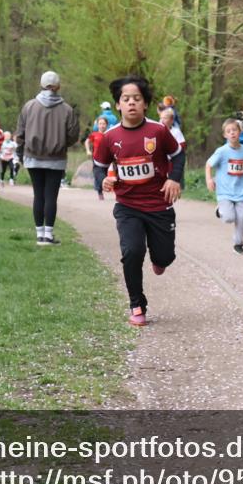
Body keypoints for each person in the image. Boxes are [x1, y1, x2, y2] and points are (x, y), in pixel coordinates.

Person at [93, 75, 184, 327]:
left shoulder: (158, 130)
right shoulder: (109, 137)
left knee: (164, 257)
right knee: (132, 252)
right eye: (126, 99)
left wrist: (174, 179)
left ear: (145, 104)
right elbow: (99, 166)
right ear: (118, 105)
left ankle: (160, 259)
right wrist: (104, 180)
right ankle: (137, 304)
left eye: (137, 99)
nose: (131, 103)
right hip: (128, 206)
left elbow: (178, 155)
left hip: (159, 204)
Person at [15, 71, 80, 245]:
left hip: (33, 157)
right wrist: (62, 143)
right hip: (56, 158)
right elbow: (73, 135)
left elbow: (20, 134)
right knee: (51, 196)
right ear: (58, 87)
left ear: (41, 85)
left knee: (39, 195)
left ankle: (39, 235)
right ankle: (49, 235)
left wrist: (20, 153)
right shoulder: (67, 110)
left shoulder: (28, 107)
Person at [206, 118, 243, 254]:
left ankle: (238, 244)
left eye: (234, 130)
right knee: (228, 218)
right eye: (228, 131)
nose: (232, 133)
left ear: (240, 132)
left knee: (242, 221)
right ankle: (221, 210)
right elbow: (209, 164)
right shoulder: (222, 151)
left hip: (241, 191)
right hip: (225, 191)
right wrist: (209, 179)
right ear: (225, 135)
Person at [85, 116, 110, 200]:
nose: (102, 126)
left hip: (108, 159)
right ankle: (100, 191)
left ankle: (103, 188)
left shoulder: (109, 134)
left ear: (107, 125)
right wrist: (88, 150)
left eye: (103, 124)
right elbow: (87, 142)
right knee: (98, 175)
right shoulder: (94, 134)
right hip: (96, 159)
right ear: (97, 125)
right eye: (100, 124)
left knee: (106, 175)